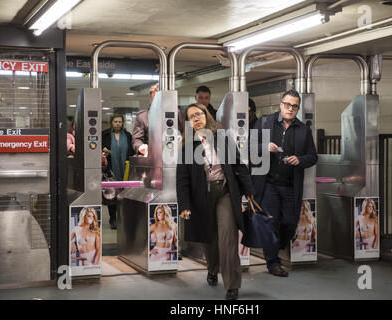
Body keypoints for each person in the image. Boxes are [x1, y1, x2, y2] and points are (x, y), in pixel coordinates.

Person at [176, 103, 255, 300]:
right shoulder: (187, 146)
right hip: (201, 197)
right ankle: (212, 269)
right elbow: (182, 178)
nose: (196, 118)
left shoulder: (223, 137)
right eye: (191, 116)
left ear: (206, 115)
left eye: (199, 114)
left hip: (225, 193)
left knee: (227, 238)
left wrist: (249, 192)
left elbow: (238, 165)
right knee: (209, 238)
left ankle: (232, 285)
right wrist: (184, 205)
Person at [252, 89, 318, 277]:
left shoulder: (303, 130)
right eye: (287, 104)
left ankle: (275, 245)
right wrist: (263, 147)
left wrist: (300, 160)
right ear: (280, 104)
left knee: (289, 222)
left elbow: (313, 157)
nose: (290, 108)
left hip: (290, 186)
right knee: (271, 223)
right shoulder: (265, 122)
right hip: (268, 184)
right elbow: (247, 146)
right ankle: (273, 263)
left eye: (294, 106)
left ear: (297, 108)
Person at [132, 83, 184, 155]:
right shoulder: (143, 116)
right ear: (151, 97)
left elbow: (183, 133)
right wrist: (140, 147)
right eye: (157, 95)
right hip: (152, 155)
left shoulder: (176, 113)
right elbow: (137, 139)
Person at [102, 113, 134, 229]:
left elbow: (131, 151)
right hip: (111, 169)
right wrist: (104, 152)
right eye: (115, 122)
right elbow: (98, 149)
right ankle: (113, 218)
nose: (117, 124)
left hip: (125, 169)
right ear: (111, 122)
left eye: (120, 122)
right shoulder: (105, 135)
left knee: (124, 194)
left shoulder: (127, 135)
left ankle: (122, 217)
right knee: (111, 194)